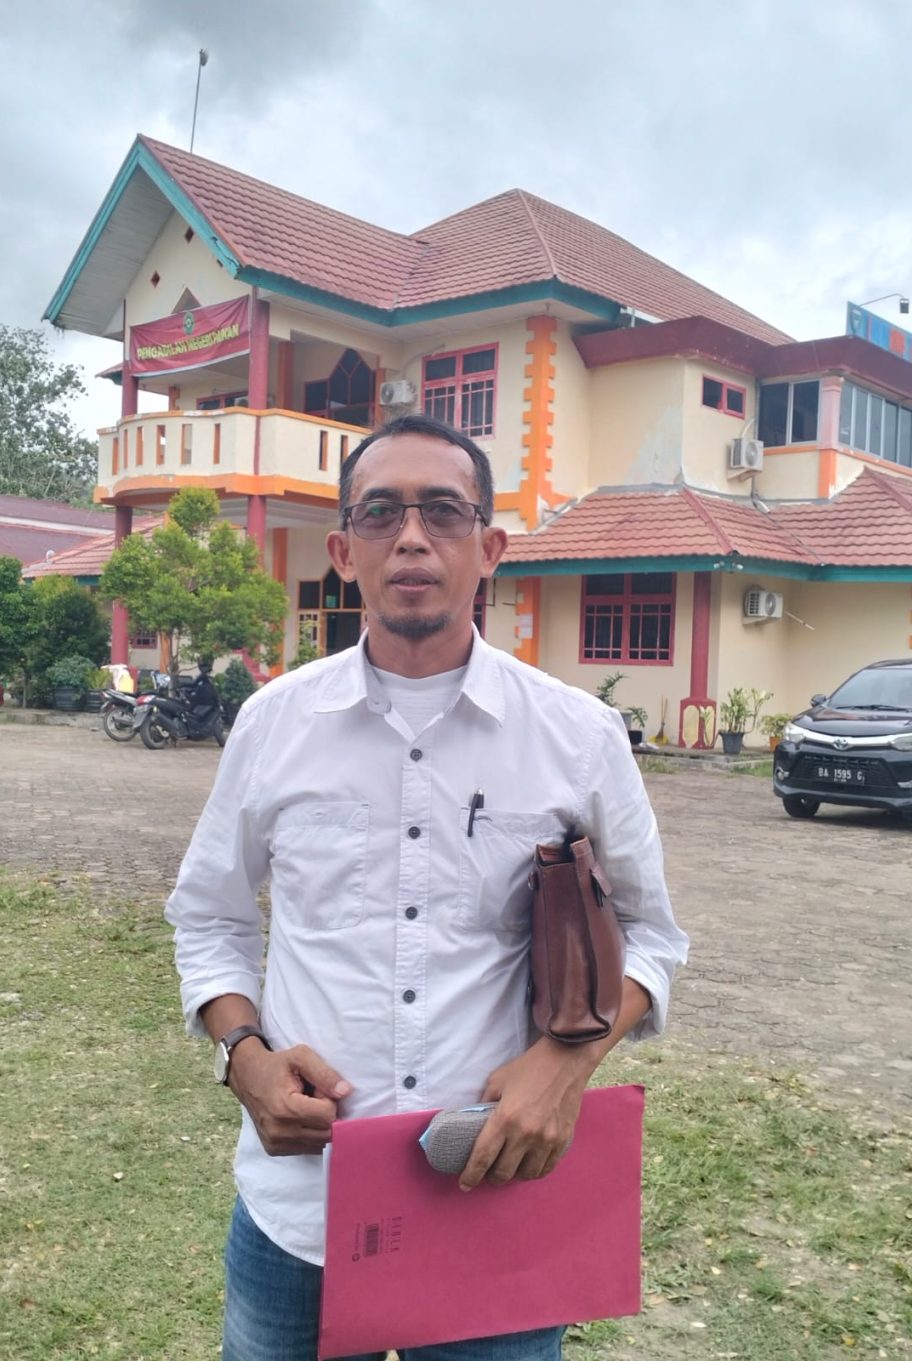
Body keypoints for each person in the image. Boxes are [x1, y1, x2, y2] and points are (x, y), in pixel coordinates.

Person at [164, 412, 689, 1361]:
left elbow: (653, 934)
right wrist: (243, 1055)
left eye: (443, 510)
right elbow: (210, 917)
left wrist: (563, 1064)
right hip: (300, 1209)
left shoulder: (575, 735)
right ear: (343, 551)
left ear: (489, 548)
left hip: (495, 1190)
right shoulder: (274, 724)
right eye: (381, 512)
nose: (412, 537)